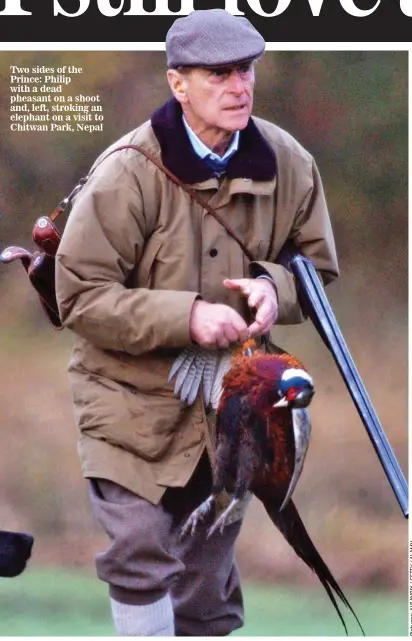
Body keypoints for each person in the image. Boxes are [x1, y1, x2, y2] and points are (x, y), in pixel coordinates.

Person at [55, 8, 339, 637]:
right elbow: (79, 295)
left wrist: (276, 290)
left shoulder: (292, 163)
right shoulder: (126, 170)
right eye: (219, 73)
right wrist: (186, 315)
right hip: (126, 399)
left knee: (206, 590)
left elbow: (317, 270)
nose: (240, 85)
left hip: (233, 407)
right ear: (178, 83)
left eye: (247, 70)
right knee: (137, 551)